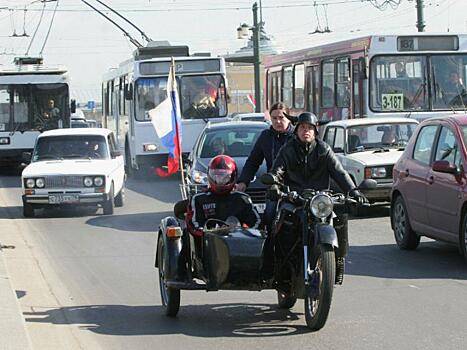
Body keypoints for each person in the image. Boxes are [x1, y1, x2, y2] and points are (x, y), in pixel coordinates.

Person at [268, 112, 367, 268]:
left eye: (309, 128)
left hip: (320, 201)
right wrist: (274, 184)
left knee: (338, 217)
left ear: (315, 131)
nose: (306, 131)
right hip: (295, 199)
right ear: (296, 130)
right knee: (282, 223)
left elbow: (339, 172)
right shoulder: (288, 150)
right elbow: (277, 171)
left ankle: (338, 260)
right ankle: (279, 266)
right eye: (302, 127)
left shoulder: (324, 149)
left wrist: (354, 191)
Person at [235, 102, 294, 230]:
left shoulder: (296, 136)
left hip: (296, 187)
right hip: (274, 187)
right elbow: (253, 162)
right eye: (274, 118)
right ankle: (270, 247)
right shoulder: (265, 137)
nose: (278, 121)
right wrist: (243, 181)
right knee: (269, 218)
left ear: (288, 118)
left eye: (281, 117)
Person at [186, 155, 261, 240]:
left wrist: (244, 232)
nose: (220, 181)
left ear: (233, 177)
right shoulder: (199, 199)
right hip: (208, 244)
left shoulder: (242, 199)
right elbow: (193, 225)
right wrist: (211, 233)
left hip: (237, 242)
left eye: (225, 177)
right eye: (216, 176)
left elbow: (257, 222)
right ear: (209, 175)